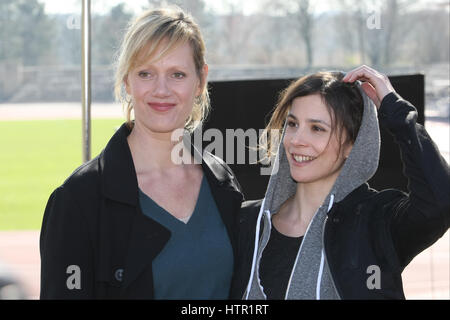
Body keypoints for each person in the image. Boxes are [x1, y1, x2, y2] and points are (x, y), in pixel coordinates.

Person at [40, 7, 243, 299]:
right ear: (127, 81)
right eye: (146, 73)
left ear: (200, 81)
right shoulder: (79, 200)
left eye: (177, 74)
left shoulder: (223, 183)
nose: (161, 90)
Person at [231, 66, 450, 299]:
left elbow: (439, 201)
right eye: (293, 124)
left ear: (351, 145)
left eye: (317, 128)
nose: (296, 140)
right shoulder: (246, 224)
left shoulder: (376, 222)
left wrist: (396, 112)